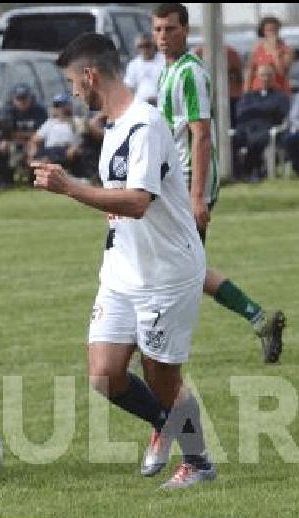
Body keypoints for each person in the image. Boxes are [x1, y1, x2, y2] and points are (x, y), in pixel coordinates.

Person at [34, 32, 215, 490]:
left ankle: (198, 462)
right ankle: (164, 424)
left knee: (161, 375)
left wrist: (69, 187)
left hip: (165, 272)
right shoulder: (113, 126)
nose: (74, 91)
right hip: (123, 269)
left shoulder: (145, 124)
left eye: (74, 82)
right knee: (104, 375)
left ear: (91, 76)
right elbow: (120, 211)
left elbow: (137, 201)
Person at [154, 3, 286, 364]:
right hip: (172, 185)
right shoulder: (167, 71)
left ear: (185, 29)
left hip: (188, 186)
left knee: (171, 268)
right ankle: (259, 320)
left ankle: (146, 347)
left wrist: (197, 196)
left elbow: (202, 136)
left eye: (170, 29)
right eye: (158, 30)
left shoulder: (190, 74)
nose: (163, 37)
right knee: (182, 268)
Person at [232, 64, 290, 181]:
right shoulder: (248, 96)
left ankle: (252, 171)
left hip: (267, 128)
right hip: (246, 128)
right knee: (231, 139)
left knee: (255, 140)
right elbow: (240, 112)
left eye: (269, 75)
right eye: (262, 75)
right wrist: (264, 109)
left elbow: (280, 112)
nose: (265, 78)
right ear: (257, 77)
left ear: (273, 77)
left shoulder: (280, 97)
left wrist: (255, 110)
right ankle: (235, 172)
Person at [0, 83, 48, 184]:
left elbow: (42, 132)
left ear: (31, 98)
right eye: (19, 99)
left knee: (39, 149)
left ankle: (34, 178)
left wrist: (30, 140)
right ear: (13, 99)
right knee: (4, 147)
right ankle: (6, 179)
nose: (22, 102)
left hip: (35, 142)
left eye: (25, 99)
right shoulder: (7, 110)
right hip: (14, 141)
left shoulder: (39, 110)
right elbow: (8, 133)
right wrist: (27, 136)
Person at [29, 93, 82, 175]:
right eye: (57, 106)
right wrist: (33, 150)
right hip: (50, 150)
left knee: (73, 153)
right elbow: (36, 139)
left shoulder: (76, 121)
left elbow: (81, 138)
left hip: (67, 148)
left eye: (62, 105)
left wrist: (74, 147)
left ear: (68, 106)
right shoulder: (50, 122)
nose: (60, 108)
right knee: (39, 159)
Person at [193, 44, 244, 125]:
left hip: (228, 97)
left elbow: (239, 77)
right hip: (207, 98)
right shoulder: (198, 53)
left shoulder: (230, 53)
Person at [244, 15, 293, 95]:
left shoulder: (286, 49)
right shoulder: (257, 48)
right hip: (258, 90)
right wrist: (246, 92)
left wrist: (275, 53)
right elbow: (250, 71)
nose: (272, 32)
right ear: (264, 32)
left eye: (274, 29)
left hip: (279, 91)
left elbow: (282, 72)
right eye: (269, 30)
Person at [123, 33, 165, 106]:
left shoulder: (165, 60)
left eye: (147, 45)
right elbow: (129, 87)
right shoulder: (133, 64)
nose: (145, 49)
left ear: (154, 45)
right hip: (141, 105)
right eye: (141, 46)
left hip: (162, 104)